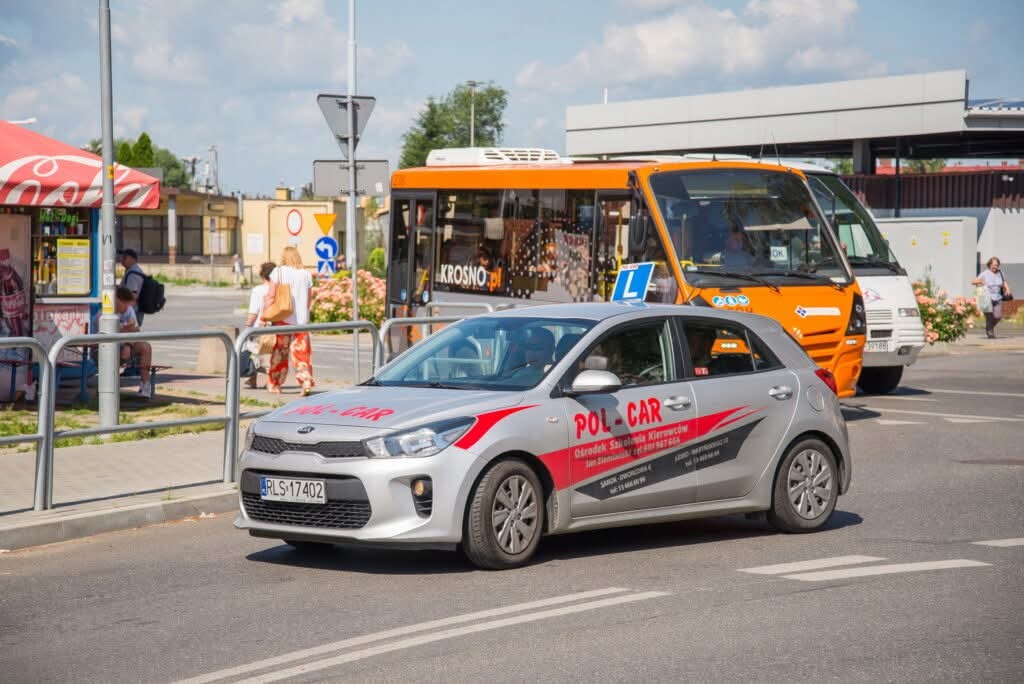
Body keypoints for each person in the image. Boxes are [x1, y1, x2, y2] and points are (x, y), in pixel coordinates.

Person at [266, 246, 315, 395]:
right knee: (302, 354)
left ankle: (275, 384)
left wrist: (265, 316)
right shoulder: (306, 275)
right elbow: (308, 300)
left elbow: (271, 296)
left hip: (283, 319)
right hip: (301, 321)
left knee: (280, 354)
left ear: (284, 257)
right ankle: (305, 381)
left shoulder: (278, 272)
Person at [93, 287, 154, 399]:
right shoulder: (102, 314)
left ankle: (145, 385)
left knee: (145, 347)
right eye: (125, 304)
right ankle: (107, 388)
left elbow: (136, 331)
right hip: (104, 349)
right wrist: (125, 330)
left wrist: (128, 345)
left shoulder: (128, 310)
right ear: (116, 300)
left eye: (129, 304)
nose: (127, 307)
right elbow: (108, 335)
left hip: (123, 346)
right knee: (111, 352)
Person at [244, 262, 276, 389]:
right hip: (277, 326)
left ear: (263, 275)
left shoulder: (258, 290)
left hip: (261, 326)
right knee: (271, 354)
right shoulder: (280, 289)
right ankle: (270, 381)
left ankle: (253, 379)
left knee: (254, 352)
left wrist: (248, 325)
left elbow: (254, 311)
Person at [973, 256, 1013, 338]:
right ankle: (990, 332)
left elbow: (1004, 282)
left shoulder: (1000, 272)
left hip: (998, 298)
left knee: (998, 316)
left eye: (997, 265)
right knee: (989, 316)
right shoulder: (985, 273)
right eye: (994, 265)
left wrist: (1007, 289)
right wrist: (981, 281)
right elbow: (973, 281)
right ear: (989, 264)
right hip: (987, 298)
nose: (995, 266)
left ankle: (989, 327)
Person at [119, 249, 147, 327]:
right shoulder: (132, 271)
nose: (122, 260)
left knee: (130, 335)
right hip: (133, 310)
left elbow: (132, 295)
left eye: (125, 258)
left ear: (133, 259)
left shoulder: (133, 274)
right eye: (122, 257)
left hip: (133, 311)